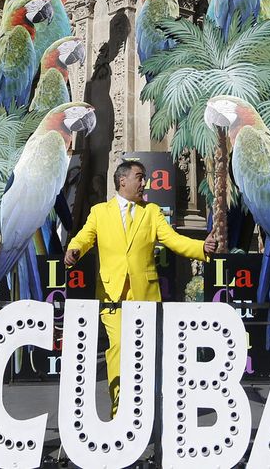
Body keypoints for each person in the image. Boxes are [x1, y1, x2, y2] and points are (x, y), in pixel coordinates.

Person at [64, 159, 217, 415]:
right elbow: (85, 236)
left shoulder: (152, 212)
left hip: (145, 295)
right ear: (122, 180)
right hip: (113, 297)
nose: (144, 182)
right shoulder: (100, 212)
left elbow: (172, 240)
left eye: (144, 177)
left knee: (146, 352)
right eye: (140, 176)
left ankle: (146, 410)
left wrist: (201, 248)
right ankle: (119, 410)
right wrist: (74, 250)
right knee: (119, 349)